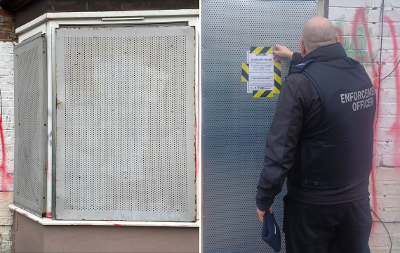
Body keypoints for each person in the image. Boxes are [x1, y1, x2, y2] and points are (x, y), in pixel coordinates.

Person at [255, 17, 376, 253]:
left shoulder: (298, 85)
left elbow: (280, 151)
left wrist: (264, 198)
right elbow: (327, 80)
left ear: (302, 45)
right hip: (357, 203)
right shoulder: (358, 72)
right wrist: (295, 58)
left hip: (313, 211)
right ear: (338, 40)